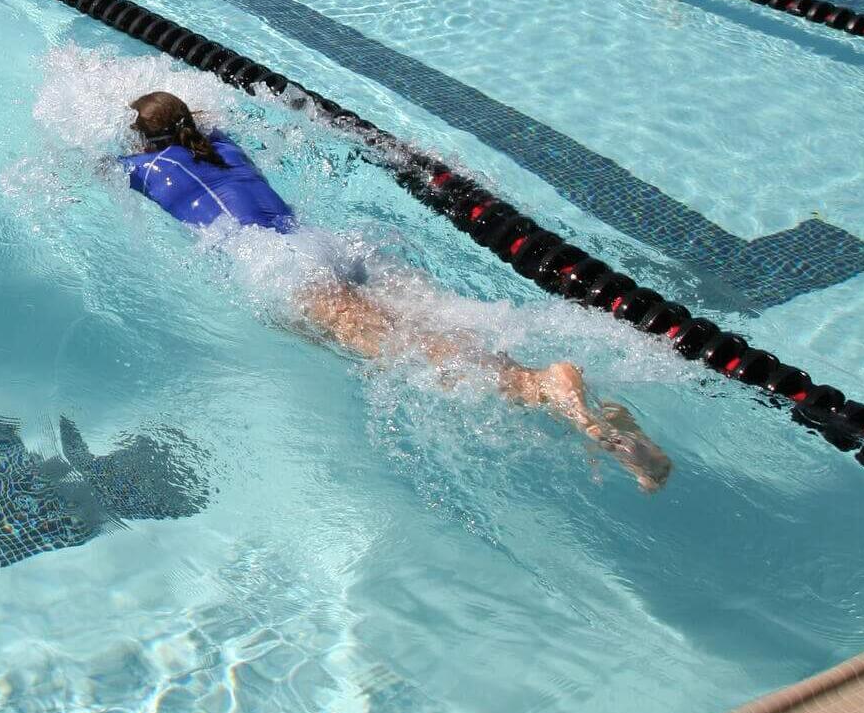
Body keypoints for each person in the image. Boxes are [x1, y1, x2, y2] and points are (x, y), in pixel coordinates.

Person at [116, 91, 671, 490]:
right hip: (320, 244)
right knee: (408, 333)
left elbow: (99, 166)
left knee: (404, 352)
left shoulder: (145, 169)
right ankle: (571, 404)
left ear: (142, 139)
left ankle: (540, 385)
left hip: (285, 267)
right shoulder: (219, 142)